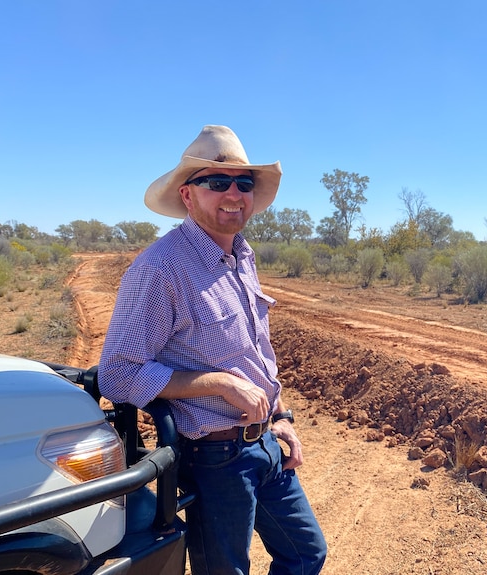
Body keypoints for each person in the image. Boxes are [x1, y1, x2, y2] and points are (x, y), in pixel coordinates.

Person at [98, 125, 327, 575]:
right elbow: (118, 374)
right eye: (216, 182)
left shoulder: (241, 255)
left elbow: (253, 350)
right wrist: (220, 385)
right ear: (187, 195)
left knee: (305, 553)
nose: (234, 193)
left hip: (265, 443)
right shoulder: (159, 269)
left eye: (244, 183)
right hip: (214, 457)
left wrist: (281, 420)